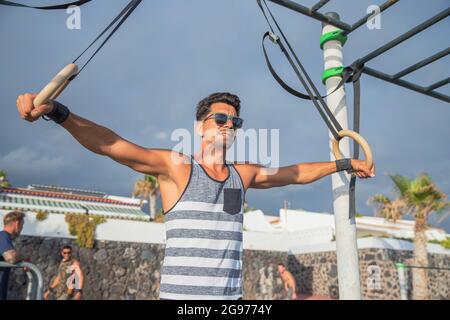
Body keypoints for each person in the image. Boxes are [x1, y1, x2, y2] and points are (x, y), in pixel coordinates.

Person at [16, 92, 375, 300]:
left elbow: (295, 174)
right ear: (199, 127)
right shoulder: (177, 168)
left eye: (235, 121)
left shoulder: (243, 174)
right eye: (220, 118)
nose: (228, 125)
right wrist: (58, 113)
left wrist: (344, 163)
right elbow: (113, 145)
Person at [0, 211, 26, 300]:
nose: (22, 228)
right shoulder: (3, 236)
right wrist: (25, 258)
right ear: (17, 223)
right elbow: (11, 257)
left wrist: (22, 262)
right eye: (22, 225)